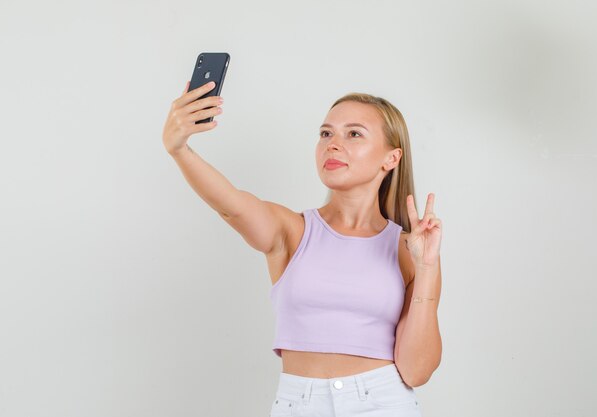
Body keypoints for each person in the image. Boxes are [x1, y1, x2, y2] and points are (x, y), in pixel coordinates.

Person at [162, 80, 443, 416]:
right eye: (326, 134)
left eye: (353, 134)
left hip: (384, 403)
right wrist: (179, 149)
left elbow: (416, 371)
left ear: (391, 157)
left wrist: (426, 270)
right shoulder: (292, 231)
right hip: (300, 404)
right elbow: (232, 206)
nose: (333, 145)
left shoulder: (408, 250)